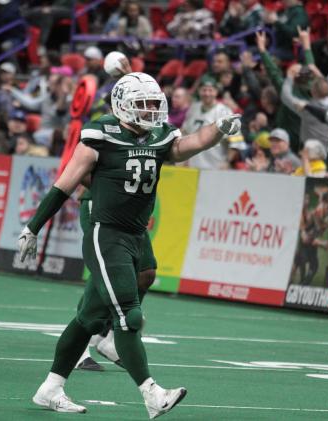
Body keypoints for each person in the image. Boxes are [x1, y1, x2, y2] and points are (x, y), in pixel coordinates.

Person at [18, 72, 241, 417]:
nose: (152, 111)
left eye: (155, 104)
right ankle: (152, 395)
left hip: (136, 234)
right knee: (128, 315)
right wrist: (33, 227)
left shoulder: (157, 135)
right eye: (144, 104)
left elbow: (186, 146)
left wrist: (218, 129)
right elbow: (63, 185)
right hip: (106, 233)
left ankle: (50, 388)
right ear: (123, 106)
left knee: (89, 318)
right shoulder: (99, 135)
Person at [182, 76, 233, 169]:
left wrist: (227, 161)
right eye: (204, 90)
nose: (207, 93)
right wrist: (185, 159)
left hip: (216, 166)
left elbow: (235, 141)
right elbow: (185, 133)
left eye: (210, 90)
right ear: (199, 91)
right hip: (193, 166)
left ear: (216, 92)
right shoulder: (193, 108)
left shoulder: (224, 111)